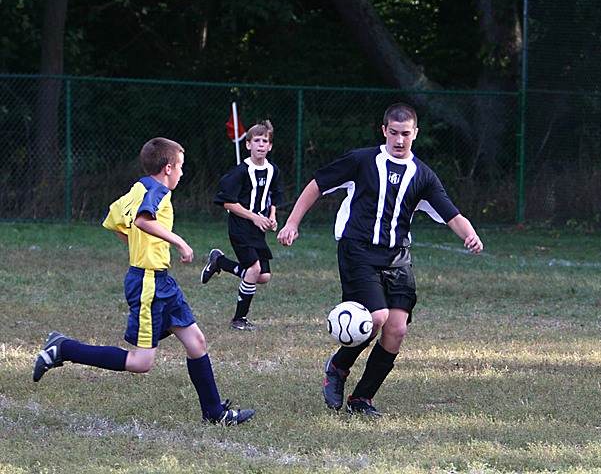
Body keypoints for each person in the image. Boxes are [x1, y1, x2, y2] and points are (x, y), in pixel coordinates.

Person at [277, 103, 483, 416]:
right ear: (384, 130)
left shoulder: (423, 175)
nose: (400, 140)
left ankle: (361, 400)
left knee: (396, 329)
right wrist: (292, 222)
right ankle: (338, 366)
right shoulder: (361, 160)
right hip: (357, 250)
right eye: (394, 133)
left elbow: (452, 214)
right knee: (376, 318)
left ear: (415, 134)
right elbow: (317, 185)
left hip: (397, 258)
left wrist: (469, 234)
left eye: (406, 134)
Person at [32, 137, 255, 426]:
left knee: (196, 342)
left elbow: (113, 218)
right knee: (141, 363)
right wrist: (180, 243)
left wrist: (138, 246)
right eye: (181, 167)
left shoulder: (138, 187)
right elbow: (142, 221)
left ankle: (215, 413)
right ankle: (63, 348)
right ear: (167, 168)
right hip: (148, 283)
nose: (182, 173)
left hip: (161, 281)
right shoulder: (158, 191)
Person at [201, 120, 283, 331]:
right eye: (256, 140)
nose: (261, 145)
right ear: (248, 145)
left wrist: (272, 216)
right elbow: (226, 201)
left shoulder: (273, 170)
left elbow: (275, 195)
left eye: (265, 141)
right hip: (240, 226)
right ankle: (239, 319)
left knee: (263, 276)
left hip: (258, 229)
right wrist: (254, 217)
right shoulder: (240, 171)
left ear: (270, 146)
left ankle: (219, 261)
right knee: (254, 269)